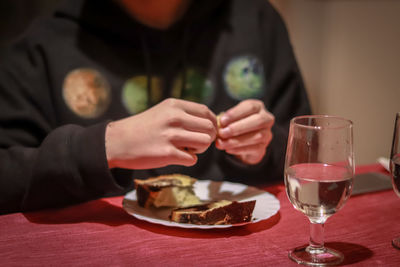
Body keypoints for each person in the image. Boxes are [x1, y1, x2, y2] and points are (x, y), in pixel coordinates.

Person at [0, 0, 311, 214]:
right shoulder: (42, 46)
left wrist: (263, 148)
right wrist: (107, 146)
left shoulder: (257, 21)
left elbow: (309, 154)